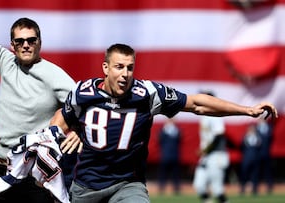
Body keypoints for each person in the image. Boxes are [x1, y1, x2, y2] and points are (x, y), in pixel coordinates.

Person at [49, 43, 278, 203]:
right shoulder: (82, 93)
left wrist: (246, 110)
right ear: (106, 68)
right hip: (86, 186)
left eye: (130, 67)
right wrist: (67, 134)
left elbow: (197, 103)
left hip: (127, 183)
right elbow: (63, 118)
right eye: (119, 67)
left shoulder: (147, 93)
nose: (125, 74)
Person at [0, 0, 77, 202]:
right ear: (12, 45)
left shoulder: (54, 75)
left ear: (39, 42)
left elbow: (84, 101)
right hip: (1, 168)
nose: (25, 44)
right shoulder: (5, 61)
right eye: (20, 41)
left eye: (31, 40)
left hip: (37, 174)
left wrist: (77, 130)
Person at [192, 91, 230, 203]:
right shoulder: (204, 116)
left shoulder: (216, 116)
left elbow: (219, 136)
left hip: (216, 155)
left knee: (217, 190)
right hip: (206, 156)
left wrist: (206, 149)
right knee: (199, 185)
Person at [157, 118, 181, 195]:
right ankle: (162, 188)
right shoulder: (163, 130)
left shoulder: (177, 130)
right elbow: (160, 140)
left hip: (174, 155)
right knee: (163, 173)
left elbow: (179, 140)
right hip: (165, 155)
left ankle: (176, 188)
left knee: (175, 174)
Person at [239, 123, 262, 195]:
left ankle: (255, 189)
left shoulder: (258, 137)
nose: (252, 130)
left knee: (255, 174)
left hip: (255, 159)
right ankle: (242, 188)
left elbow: (260, 147)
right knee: (244, 174)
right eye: (250, 129)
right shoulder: (245, 137)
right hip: (246, 159)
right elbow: (241, 146)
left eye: (253, 129)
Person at [256, 119, 274, 194]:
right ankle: (256, 187)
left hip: (267, 153)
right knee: (257, 171)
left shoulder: (269, 128)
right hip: (258, 154)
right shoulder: (256, 128)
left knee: (267, 171)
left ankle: (269, 186)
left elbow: (271, 139)